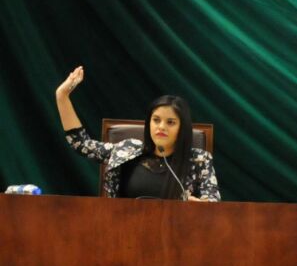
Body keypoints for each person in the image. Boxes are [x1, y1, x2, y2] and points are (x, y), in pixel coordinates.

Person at [56, 65, 220, 201]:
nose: (161, 127)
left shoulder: (200, 160)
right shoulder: (127, 151)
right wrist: (62, 96)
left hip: (176, 230)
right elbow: (81, 143)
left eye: (170, 122)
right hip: (125, 228)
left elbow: (213, 203)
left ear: (182, 128)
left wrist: (200, 207)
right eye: (156, 120)